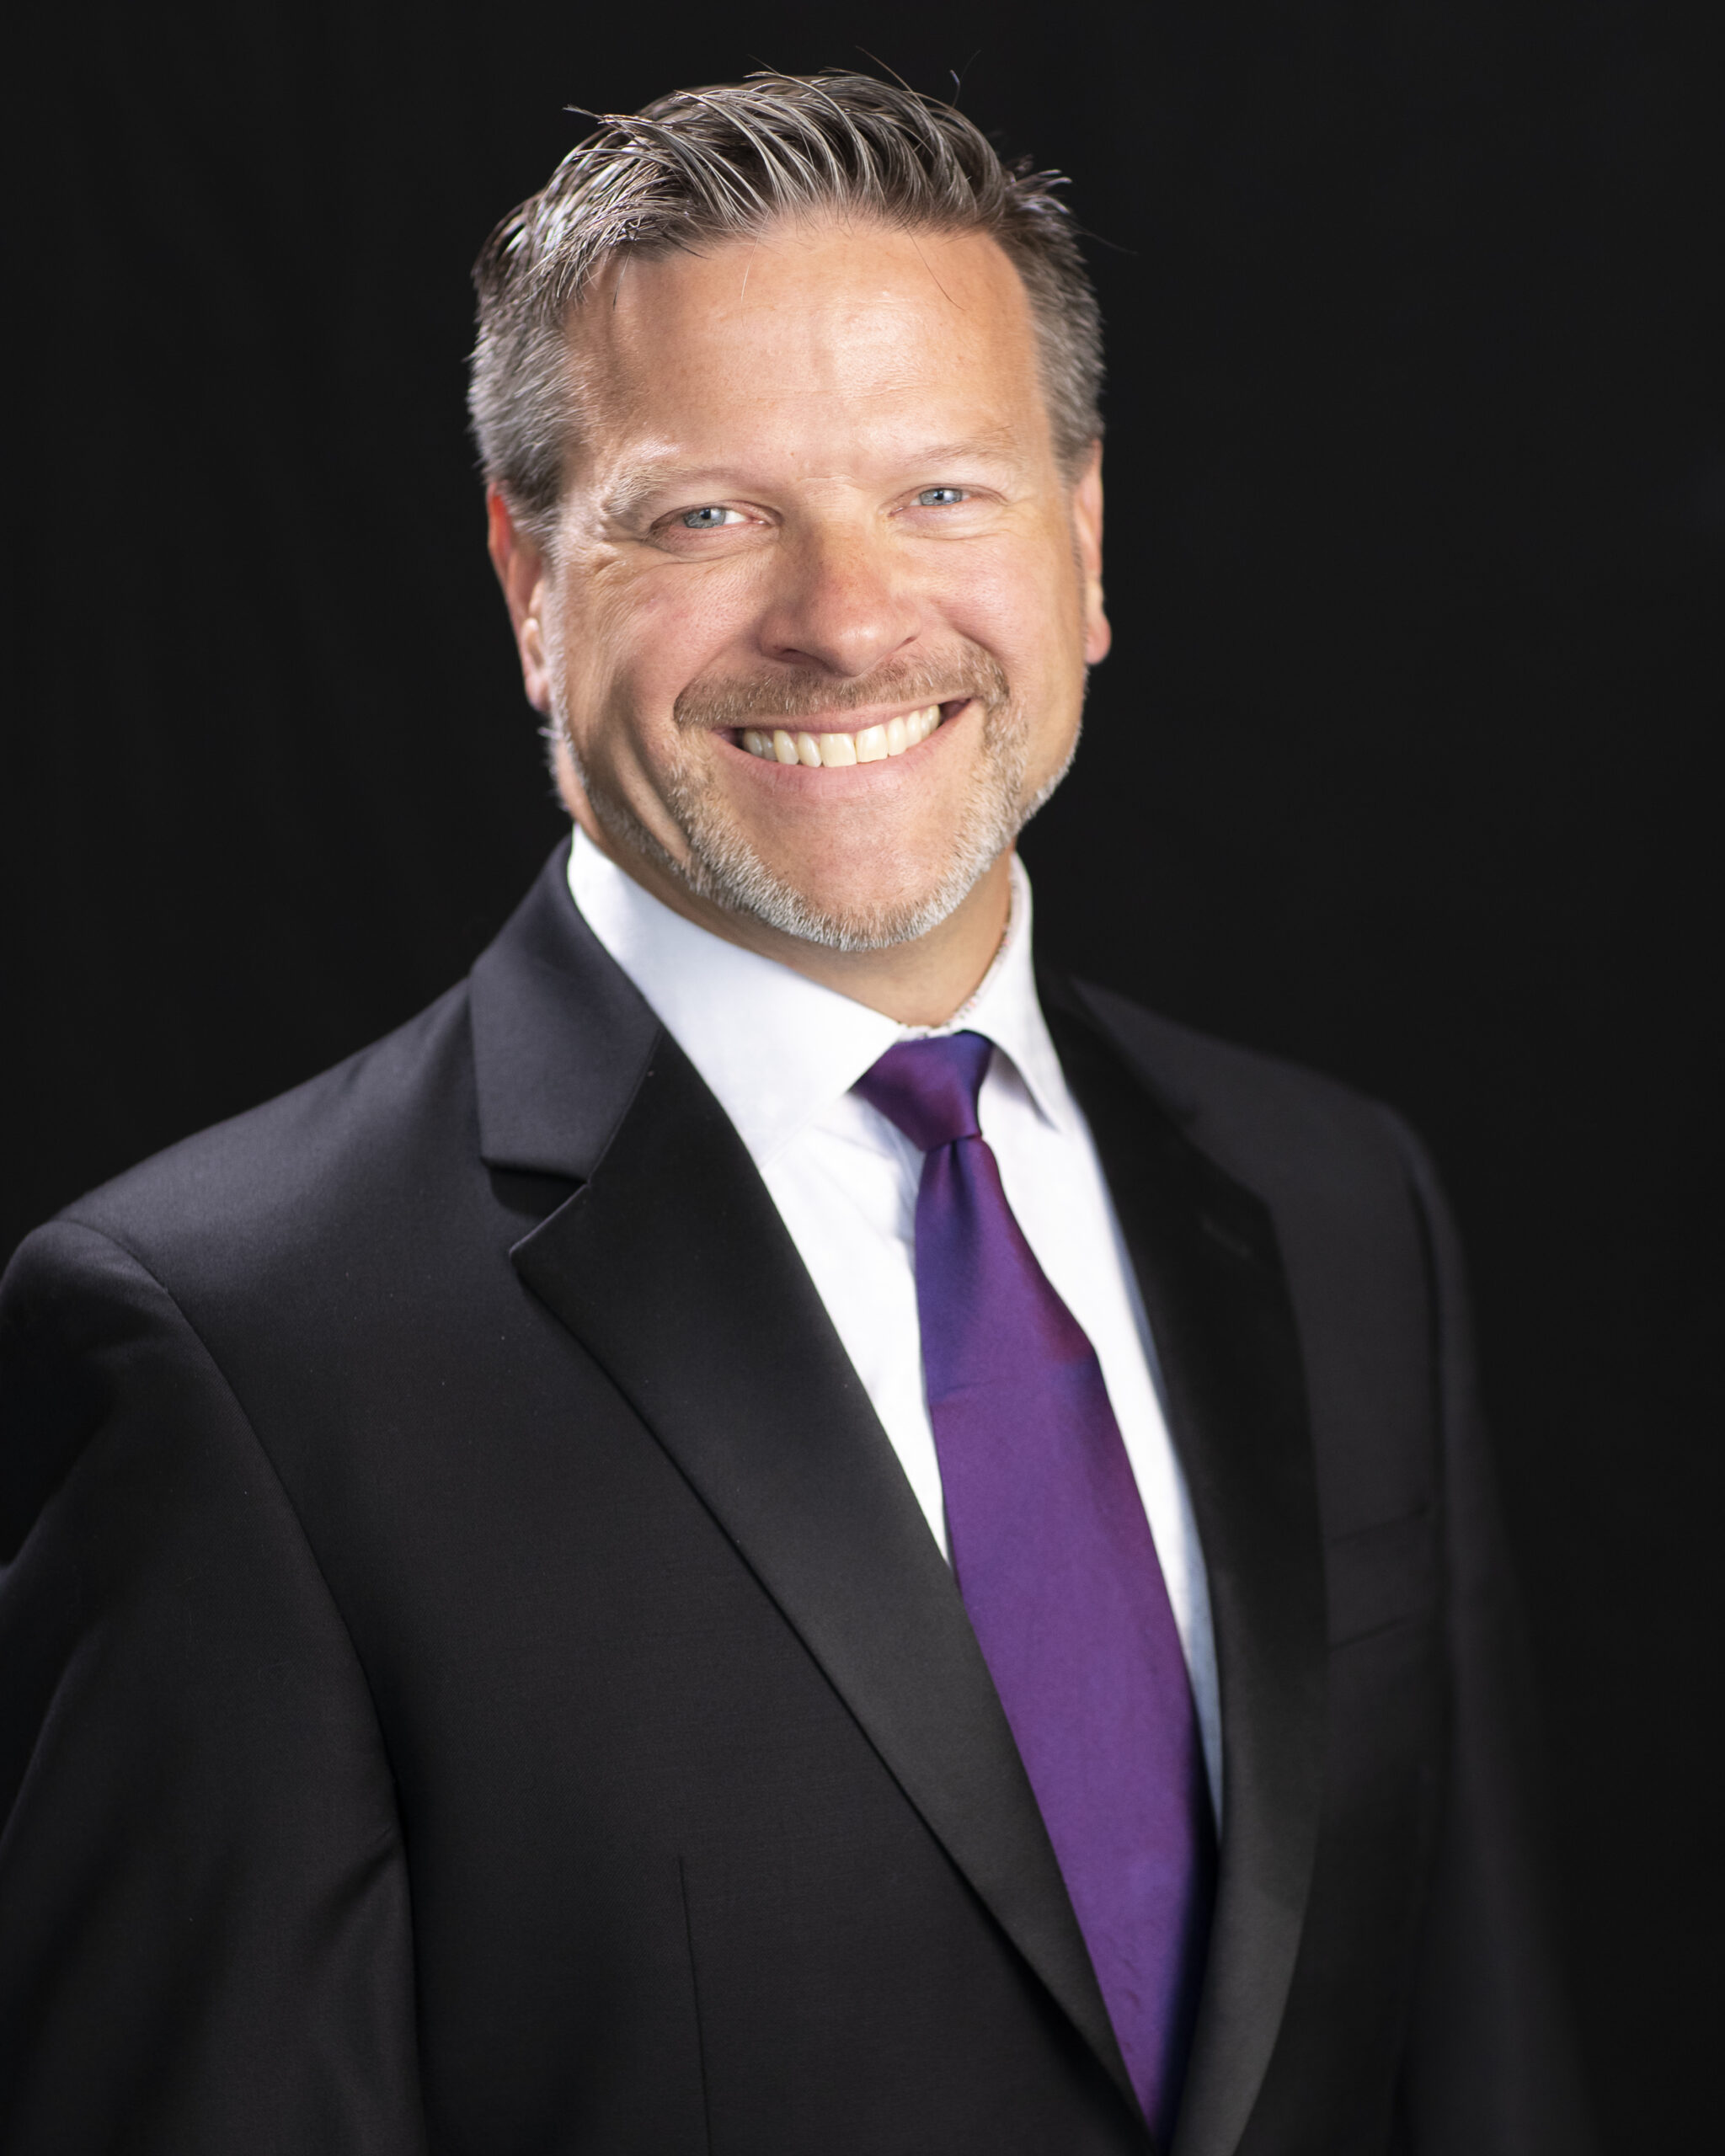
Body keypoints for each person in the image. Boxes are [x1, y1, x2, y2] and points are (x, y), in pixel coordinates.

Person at [0, 71, 1593, 2156]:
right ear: (528, 581)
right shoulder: (233, 1350)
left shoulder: (1334, 1200)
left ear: (1082, 539)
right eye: (707, 515)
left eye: (941, 490)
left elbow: (1478, 2070)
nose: (845, 618)